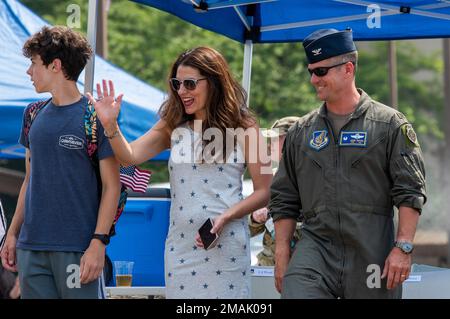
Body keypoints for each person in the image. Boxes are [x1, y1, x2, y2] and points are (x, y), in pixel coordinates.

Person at [88, 47, 272, 298]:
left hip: (226, 246)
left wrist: (226, 217)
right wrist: (110, 125)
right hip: (180, 247)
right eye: (177, 83)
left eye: (190, 83)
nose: (182, 91)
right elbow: (128, 156)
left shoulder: (246, 127)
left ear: (214, 81)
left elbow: (265, 190)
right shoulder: (172, 125)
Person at [269, 29, 426, 299]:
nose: (313, 79)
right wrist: (282, 252)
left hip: (371, 249)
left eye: (320, 72)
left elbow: (410, 190)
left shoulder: (389, 125)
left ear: (348, 69)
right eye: (311, 71)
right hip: (316, 247)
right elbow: (284, 197)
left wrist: (403, 248)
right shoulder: (300, 133)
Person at [0, 26, 121, 299]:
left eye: (33, 63)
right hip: (31, 249)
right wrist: (12, 233)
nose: (28, 72)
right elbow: (29, 181)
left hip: (78, 249)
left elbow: (112, 186)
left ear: (55, 65)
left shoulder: (96, 117)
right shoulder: (32, 114)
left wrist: (98, 243)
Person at [249, 116, 302, 266]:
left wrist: (281, 220)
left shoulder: (311, 180)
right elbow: (248, 230)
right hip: (267, 266)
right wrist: (255, 218)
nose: (270, 144)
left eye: (276, 138)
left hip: (298, 269)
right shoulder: (268, 178)